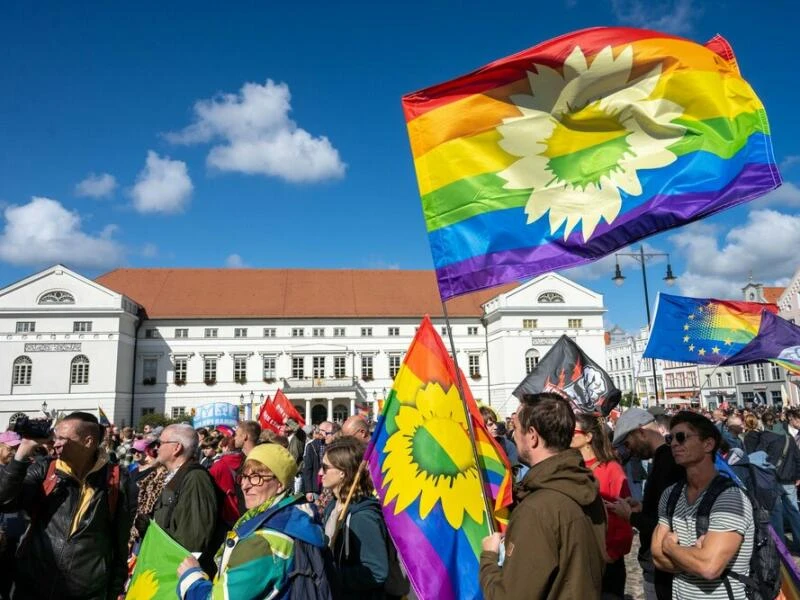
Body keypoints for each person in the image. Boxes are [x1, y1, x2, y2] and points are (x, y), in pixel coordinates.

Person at [479, 393, 606, 599]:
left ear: (532, 436)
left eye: (516, 428)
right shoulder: (584, 484)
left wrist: (489, 558)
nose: (513, 435)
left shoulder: (537, 509)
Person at [0, 412, 135, 600]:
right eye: (56, 437)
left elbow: (120, 545)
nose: (55, 443)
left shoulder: (117, 480)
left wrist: (112, 593)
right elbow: (5, 501)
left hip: (86, 591)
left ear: (88, 442)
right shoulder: (45, 469)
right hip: (33, 586)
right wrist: (22, 453)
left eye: (63, 439)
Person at [176, 444, 327, 599]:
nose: (245, 485)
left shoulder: (263, 542)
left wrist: (191, 577)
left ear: (280, 484)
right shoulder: (293, 517)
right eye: (245, 477)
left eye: (257, 478)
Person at [652, 412, 754, 599]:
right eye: (670, 438)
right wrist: (694, 556)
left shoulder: (730, 498)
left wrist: (671, 547)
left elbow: (709, 567)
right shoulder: (670, 494)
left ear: (708, 444)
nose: (674, 443)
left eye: (681, 437)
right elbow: (657, 558)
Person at [613, 407, 684, 600]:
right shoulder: (663, 460)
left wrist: (631, 517)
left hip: (663, 565)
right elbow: (662, 507)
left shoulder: (666, 462)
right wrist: (643, 506)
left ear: (641, 432)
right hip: (658, 563)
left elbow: (669, 522)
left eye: (628, 443)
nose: (630, 450)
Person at [572, 412, 633, 599]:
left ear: (588, 437)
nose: (566, 434)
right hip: (580, 557)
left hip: (607, 559)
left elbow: (622, 516)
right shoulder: (571, 467)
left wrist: (610, 553)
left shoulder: (611, 469)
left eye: (572, 431)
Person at [322, 437, 389, 599]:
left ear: (342, 472)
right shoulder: (334, 505)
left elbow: (377, 571)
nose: (320, 473)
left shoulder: (363, 516)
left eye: (325, 468)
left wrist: (330, 574)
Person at [151, 423, 219, 572]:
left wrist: (173, 571)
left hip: (178, 572)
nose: (157, 448)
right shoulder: (178, 474)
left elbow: (194, 538)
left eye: (161, 443)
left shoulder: (195, 478)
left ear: (177, 448)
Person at [303, 421, 333, 501]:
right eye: (319, 430)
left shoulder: (334, 445)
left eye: (322, 431)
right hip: (316, 486)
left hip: (331, 485)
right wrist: (308, 490)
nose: (319, 432)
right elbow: (307, 469)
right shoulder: (311, 446)